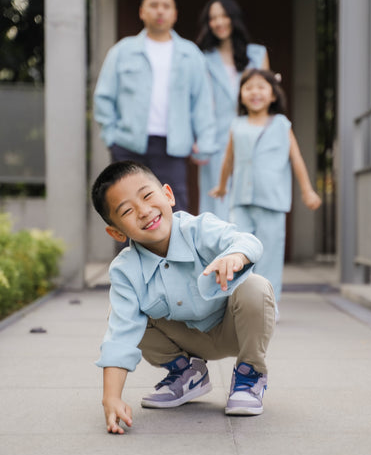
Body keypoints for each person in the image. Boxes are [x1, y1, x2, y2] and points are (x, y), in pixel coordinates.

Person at [91, 160, 275, 434]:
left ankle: (250, 374)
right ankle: (188, 373)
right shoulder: (125, 270)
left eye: (148, 196)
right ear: (117, 232)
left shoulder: (198, 229)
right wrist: (111, 397)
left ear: (168, 195)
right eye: (127, 210)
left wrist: (236, 256)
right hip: (185, 338)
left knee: (255, 286)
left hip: (233, 329)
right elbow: (120, 335)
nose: (144, 211)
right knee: (117, 314)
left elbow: (247, 240)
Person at [94, 0, 217, 213]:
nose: (160, 11)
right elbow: (103, 97)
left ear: (174, 14)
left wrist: (205, 142)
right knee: (126, 208)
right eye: (153, 5)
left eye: (166, 6)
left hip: (173, 146)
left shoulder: (190, 54)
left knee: (175, 207)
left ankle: (177, 251)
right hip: (128, 145)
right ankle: (129, 251)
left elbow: (202, 101)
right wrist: (111, 137)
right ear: (142, 11)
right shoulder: (122, 51)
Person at [210, 68, 322, 312]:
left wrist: (307, 191)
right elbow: (228, 160)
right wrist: (221, 186)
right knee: (238, 250)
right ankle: (239, 304)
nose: (255, 92)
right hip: (240, 200)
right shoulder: (236, 125)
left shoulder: (282, 124)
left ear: (273, 95)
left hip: (272, 201)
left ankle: (270, 306)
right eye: (248, 87)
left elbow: (296, 159)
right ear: (240, 95)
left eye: (261, 87)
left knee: (269, 255)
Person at [196, 0, 270, 218]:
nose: (219, 22)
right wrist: (199, 138)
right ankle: (217, 253)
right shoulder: (202, 58)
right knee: (215, 204)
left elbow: (267, 96)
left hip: (253, 136)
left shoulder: (257, 54)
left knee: (251, 202)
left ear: (233, 18)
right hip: (215, 139)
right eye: (213, 18)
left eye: (223, 16)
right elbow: (199, 100)